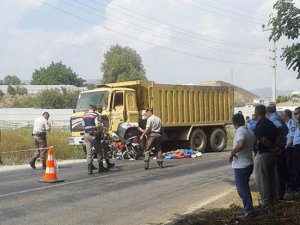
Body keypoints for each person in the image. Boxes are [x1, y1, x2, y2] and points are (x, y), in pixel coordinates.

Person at [229, 113, 255, 218]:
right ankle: (247, 209)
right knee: (244, 188)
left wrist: (232, 153)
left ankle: (248, 211)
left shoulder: (240, 131)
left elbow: (240, 144)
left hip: (241, 166)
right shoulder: (249, 131)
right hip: (248, 163)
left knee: (242, 190)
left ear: (234, 123)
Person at [253, 104, 279, 207]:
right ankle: (273, 200)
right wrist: (275, 149)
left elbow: (263, 139)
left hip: (264, 154)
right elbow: (277, 136)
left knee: (263, 179)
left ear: (257, 112)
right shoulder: (270, 123)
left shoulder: (260, 124)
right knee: (272, 178)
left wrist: (271, 148)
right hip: (272, 155)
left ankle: (266, 202)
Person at [266, 103, 288, 199]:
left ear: (267, 112)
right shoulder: (276, 116)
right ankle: (280, 193)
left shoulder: (273, 118)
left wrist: (273, 137)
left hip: (279, 146)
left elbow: (278, 126)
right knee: (280, 171)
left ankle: (279, 195)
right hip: (282, 144)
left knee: (278, 172)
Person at [83, 104, 108, 175]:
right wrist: (101, 132)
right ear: (94, 108)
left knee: (89, 152)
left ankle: (89, 169)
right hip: (94, 135)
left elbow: (83, 125)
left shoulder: (84, 115)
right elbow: (97, 125)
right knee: (99, 150)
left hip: (86, 135)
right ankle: (101, 167)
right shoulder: (95, 115)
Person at [282, 109, 298, 197]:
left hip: (291, 148)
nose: (282, 117)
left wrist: (286, 146)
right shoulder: (288, 123)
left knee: (291, 167)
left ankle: (293, 186)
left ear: (286, 116)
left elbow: (291, 136)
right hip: (290, 147)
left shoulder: (291, 122)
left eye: (283, 115)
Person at [95, 105, 114, 170]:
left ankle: (94, 165)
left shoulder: (92, 115)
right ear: (99, 109)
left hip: (94, 135)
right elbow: (99, 125)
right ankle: (104, 165)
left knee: (98, 151)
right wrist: (103, 132)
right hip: (100, 135)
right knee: (104, 149)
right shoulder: (98, 115)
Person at [291, 107, 300, 195]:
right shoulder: (297, 123)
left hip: (298, 147)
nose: (295, 115)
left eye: (296, 113)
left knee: (297, 167)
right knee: (295, 167)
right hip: (296, 147)